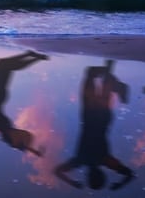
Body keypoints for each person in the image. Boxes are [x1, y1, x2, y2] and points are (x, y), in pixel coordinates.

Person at [55, 60, 134, 191]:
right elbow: (57, 171)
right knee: (91, 74)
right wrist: (71, 182)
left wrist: (120, 184)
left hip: (102, 118)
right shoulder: (81, 160)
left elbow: (129, 174)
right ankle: (112, 75)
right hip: (90, 115)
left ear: (102, 174)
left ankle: (112, 74)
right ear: (88, 176)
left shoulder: (105, 160)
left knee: (102, 82)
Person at [0, 51, 49, 156]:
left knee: (4, 65)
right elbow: (18, 144)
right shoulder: (1, 126)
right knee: (3, 65)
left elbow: (16, 144)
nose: (17, 136)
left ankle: (32, 55)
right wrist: (34, 151)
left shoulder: (0, 126)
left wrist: (32, 150)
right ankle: (33, 56)